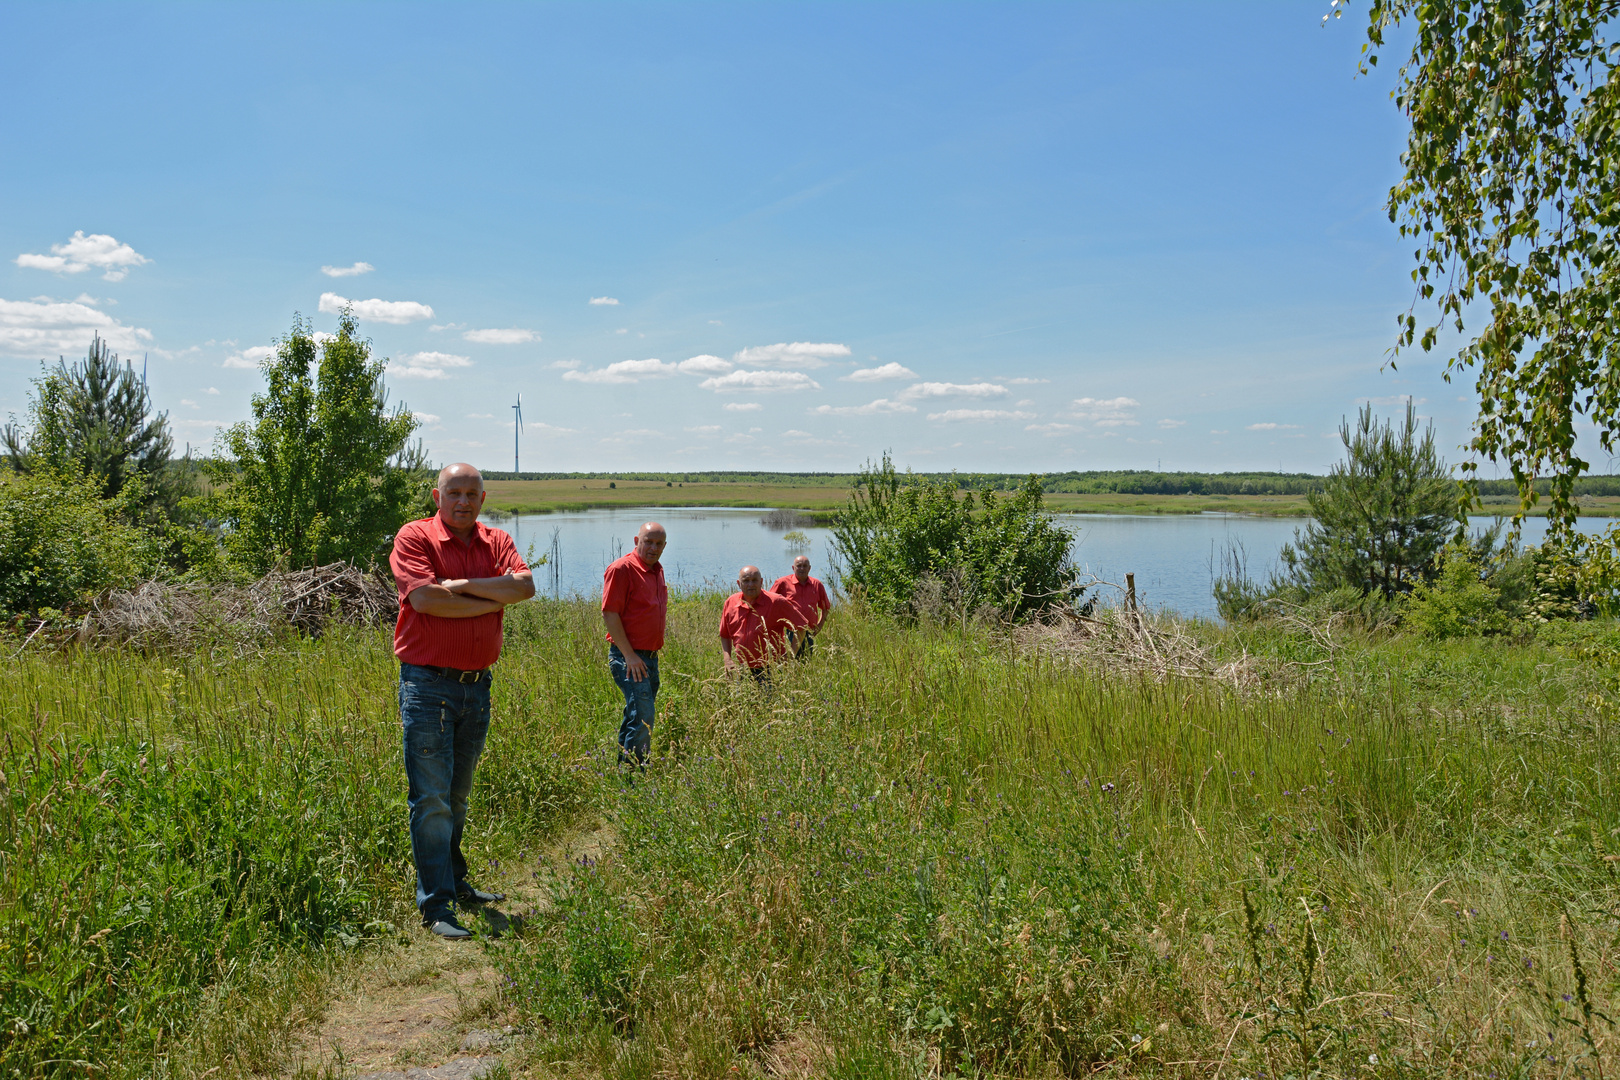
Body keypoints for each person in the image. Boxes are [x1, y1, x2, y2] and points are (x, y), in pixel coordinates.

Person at [391, 463, 534, 940]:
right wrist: (494, 598)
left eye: (472, 493)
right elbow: (427, 601)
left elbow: (525, 587)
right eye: (455, 492)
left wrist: (461, 587)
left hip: (477, 685)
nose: (464, 501)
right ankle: (436, 907)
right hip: (428, 684)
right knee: (431, 798)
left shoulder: (496, 541)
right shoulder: (415, 537)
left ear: (483, 497)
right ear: (438, 495)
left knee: (457, 794)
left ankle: (455, 884)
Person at [602, 522, 669, 765]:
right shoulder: (622, 569)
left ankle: (623, 770)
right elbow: (610, 613)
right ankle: (634, 776)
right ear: (635, 540)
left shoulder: (656, 569)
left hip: (649, 658)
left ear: (664, 546)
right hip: (628, 657)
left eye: (658, 544)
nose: (653, 548)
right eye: (648, 542)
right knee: (643, 717)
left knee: (636, 714)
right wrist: (629, 655)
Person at [720, 565, 793, 684]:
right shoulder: (731, 603)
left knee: (771, 702)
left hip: (772, 669)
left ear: (761, 582)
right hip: (742, 668)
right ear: (739, 583)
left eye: (754, 580)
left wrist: (789, 655)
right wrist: (727, 659)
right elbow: (724, 634)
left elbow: (801, 627)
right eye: (746, 581)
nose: (750, 584)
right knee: (741, 701)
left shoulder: (776, 601)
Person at [769, 554, 832, 658]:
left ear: (809, 568)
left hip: (809, 631)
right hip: (790, 631)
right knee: (789, 659)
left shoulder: (817, 584)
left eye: (804, 566)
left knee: (806, 660)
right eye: (799, 566)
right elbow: (769, 604)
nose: (802, 568)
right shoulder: (782, 583)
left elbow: (825, 608)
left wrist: (819, 627)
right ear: (793, 568)